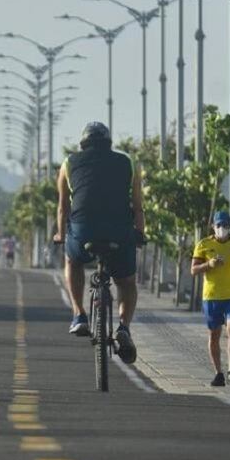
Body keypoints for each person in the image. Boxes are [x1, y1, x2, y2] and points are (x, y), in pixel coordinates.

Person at [53, 122, 144, 363]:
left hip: (83, 230)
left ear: (83, 143)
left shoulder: (68, 163)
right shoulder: (128, 162)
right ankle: (123, 327)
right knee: (126, 282)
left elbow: (63, 207)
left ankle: (79, 314)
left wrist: (61, 235)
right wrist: (140, 233)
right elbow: (138, 206)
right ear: (109, 142)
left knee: (73, 261)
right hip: (120, 230)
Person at [191, 211, 230, 386]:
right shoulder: (203, 244)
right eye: (219, 225)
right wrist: (208, 264)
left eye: (226, 225)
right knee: (214, 334)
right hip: (212, 297)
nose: (222, 229)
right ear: (213, 226)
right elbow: (194, 269)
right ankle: (218, 372)